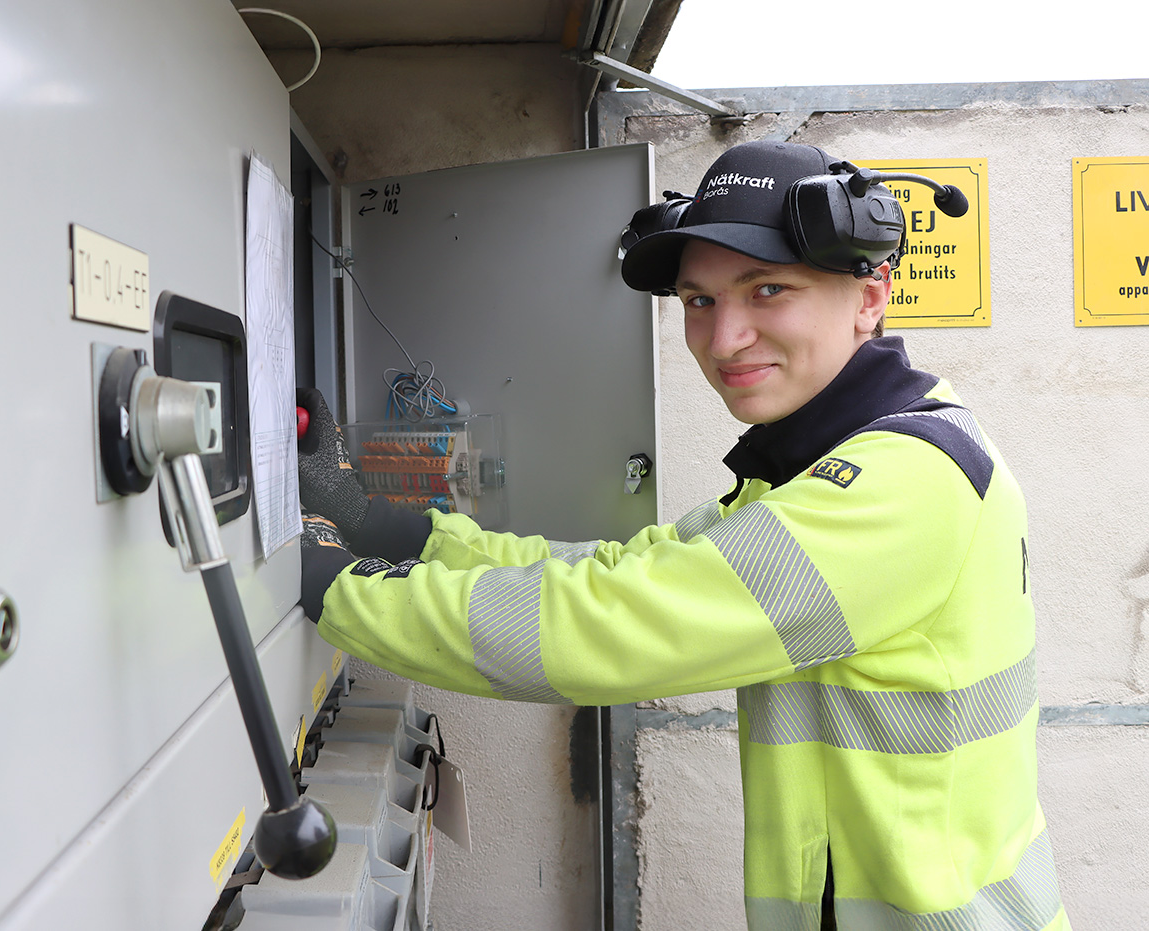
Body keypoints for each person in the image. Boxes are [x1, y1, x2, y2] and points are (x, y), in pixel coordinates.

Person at [296, 140, 1070, 930]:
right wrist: (383, 527)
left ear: (871, 296)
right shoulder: (825, 463)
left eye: (768, 289)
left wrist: (330, 586)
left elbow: (612, 624)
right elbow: (629, 568)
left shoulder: (901, 487)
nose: (724, 336)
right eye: (699, 300)